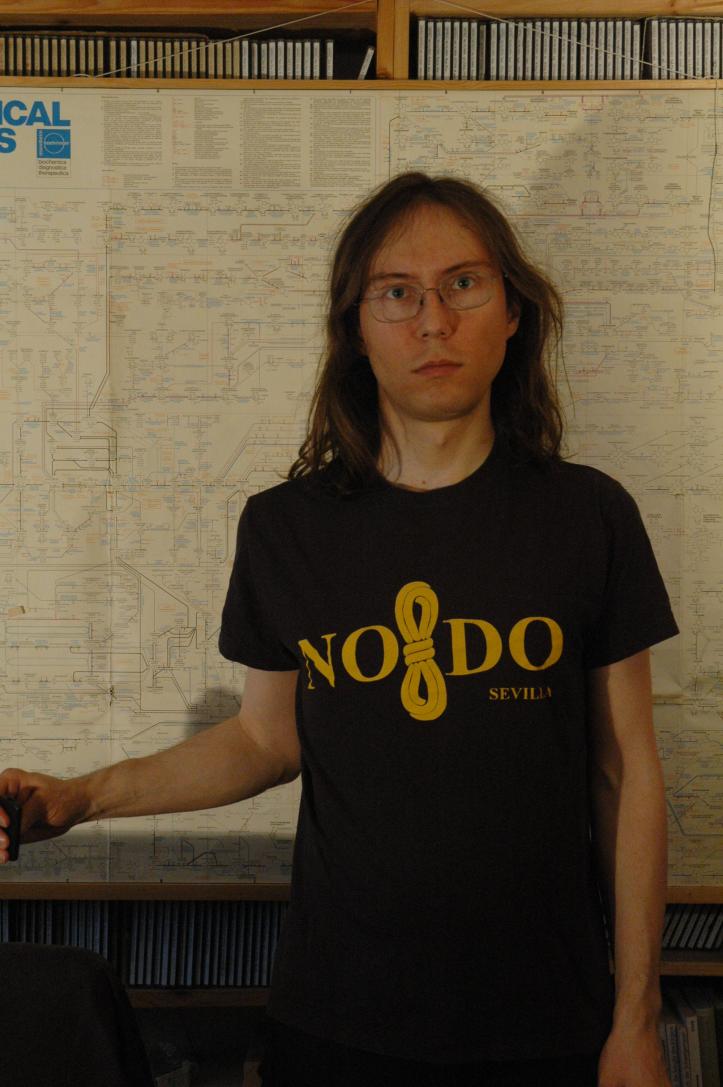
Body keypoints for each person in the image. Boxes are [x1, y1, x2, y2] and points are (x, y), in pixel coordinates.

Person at [0, 173, 677, 1087]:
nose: (433, 322)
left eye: (463, 283)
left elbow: (625, 772)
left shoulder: (588, 516)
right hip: (337, 1021)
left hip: (548, 1022)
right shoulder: (286, 528)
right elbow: (262, 739)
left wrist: (635, 1017)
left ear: (513, 311)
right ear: (356, 327)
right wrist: (80, 797)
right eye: (396, 292)